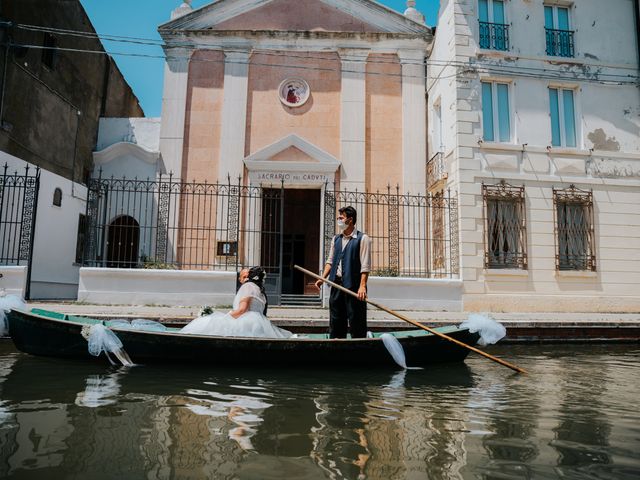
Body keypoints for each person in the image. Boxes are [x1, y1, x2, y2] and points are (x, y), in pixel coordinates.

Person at [180, 266, 291, 338]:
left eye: (245, 277)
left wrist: (225, 317)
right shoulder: (261, 291)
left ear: (249, 277)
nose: (243, 279)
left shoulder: (248, 287)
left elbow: (243, 309)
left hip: (247, 322)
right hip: (259, 323)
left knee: (208, 322)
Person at [315, 206, 371, 338]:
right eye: (338, 217)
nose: (338, 220)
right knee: (336, 320)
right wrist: (322, 278)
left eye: (341, 218)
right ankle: (337, 344)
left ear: (350, 220)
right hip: (336, 285)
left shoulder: (363, 239)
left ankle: (359, 346)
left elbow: (365, 265)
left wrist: (362, 286)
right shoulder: (336, 239)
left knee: (356, 320)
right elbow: (330, 261)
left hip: (354, 287)